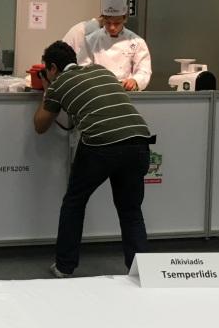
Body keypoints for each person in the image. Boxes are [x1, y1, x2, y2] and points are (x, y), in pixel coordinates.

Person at [33, 40, 152, 277]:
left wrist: (47, 89)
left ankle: (65, 266)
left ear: (53, 68)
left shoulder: (59, 84)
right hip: (139, 139)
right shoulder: (101, 71)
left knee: (74, 202)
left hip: (101, 144)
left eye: (47, 70)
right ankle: (141, 271)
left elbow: (40, 125)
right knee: (130, 209)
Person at [83, 0, 152, 91]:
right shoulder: (90, 40)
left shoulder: (137, 42)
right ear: (102, 19)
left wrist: (135, 81)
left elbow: (144, 70)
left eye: (117, 23)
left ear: (125, 19)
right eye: (108, 23)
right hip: (98, 91)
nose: (112, 27)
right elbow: (82, 69)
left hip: (125, 92)